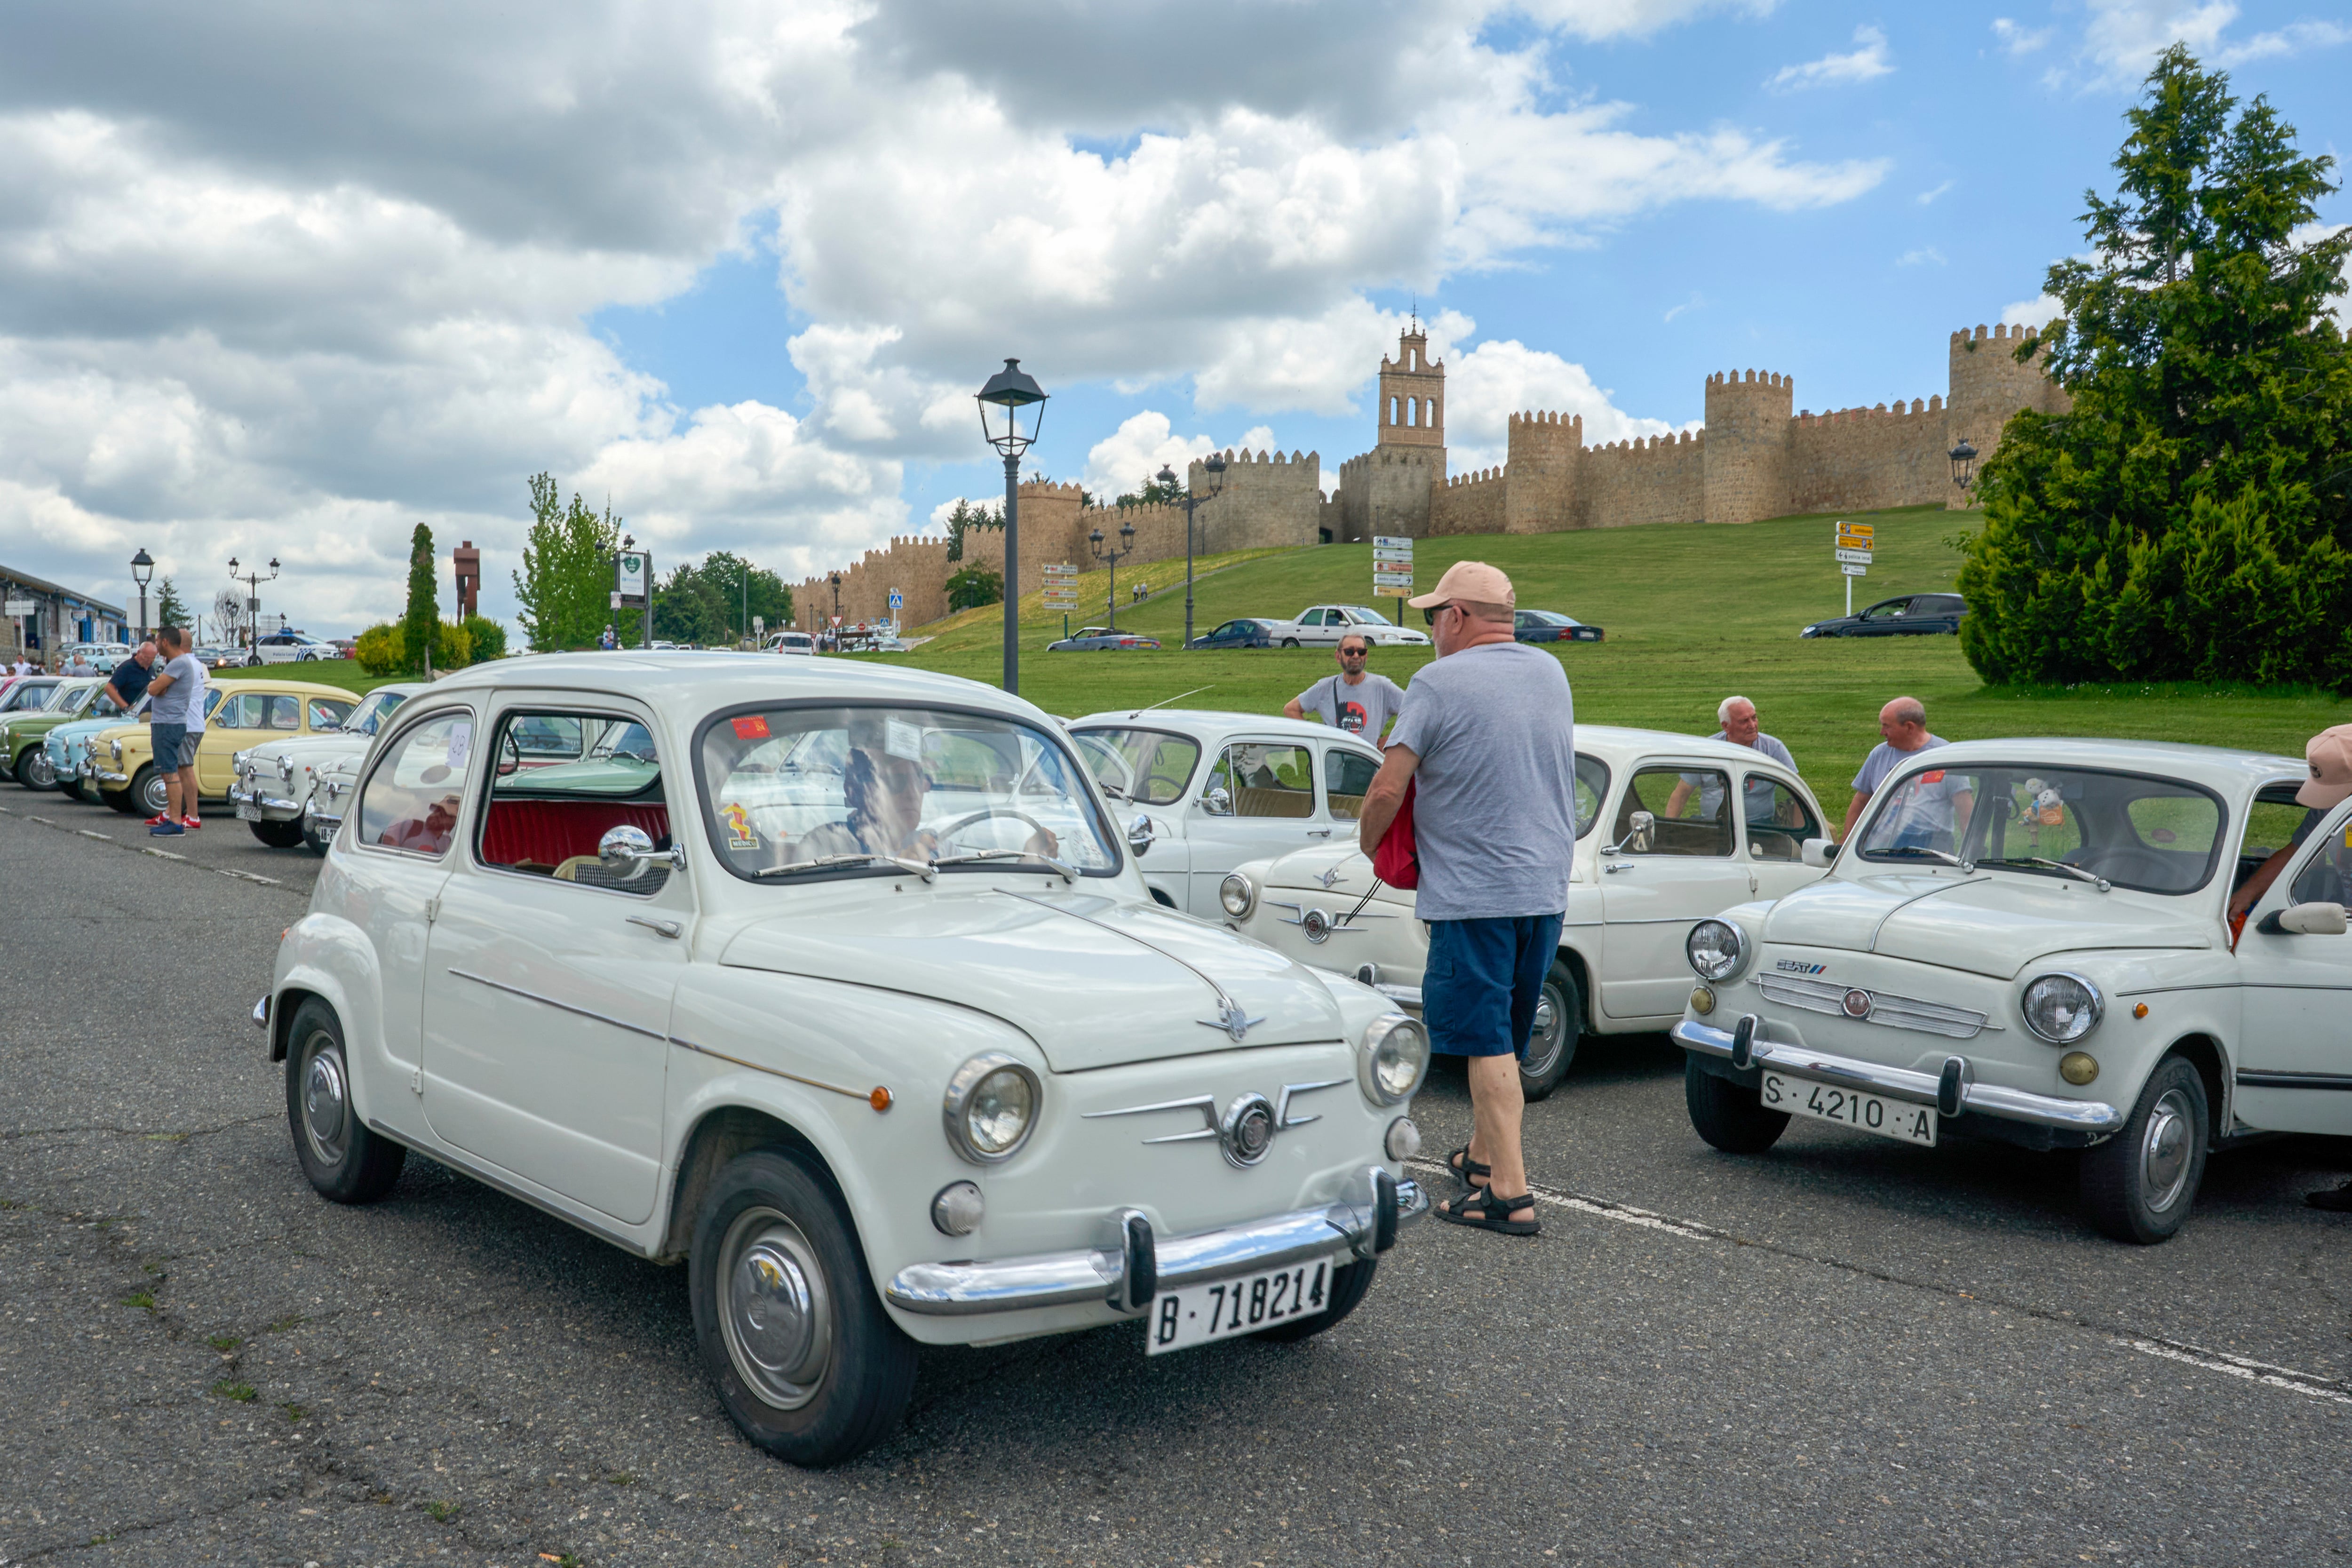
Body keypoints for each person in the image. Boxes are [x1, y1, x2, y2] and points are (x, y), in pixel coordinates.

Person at [1359, 562, 1575, 1239]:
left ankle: (1509, 1194)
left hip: (1474, 891)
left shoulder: (1436, 682)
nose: (1430, 630)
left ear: (1456, 617)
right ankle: (1481, 1160)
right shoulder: (1551, 673)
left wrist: (1369, 843)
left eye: (1432, 617)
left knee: (1483, 1039)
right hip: (1544, 885)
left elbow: (1388, 789)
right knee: (1507, 1035)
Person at [1843, 695, 1972, 851]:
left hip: (1930, 848)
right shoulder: (1879, 754)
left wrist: (1971, 852)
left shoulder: (1945, 757)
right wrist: (1844, 847)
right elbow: (1861, 802)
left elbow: (1965, 811)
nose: (1882, 732)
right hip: (1880, 847)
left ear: (1910, 728)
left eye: (1887, 726)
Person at [1666, 695, 1797, 824]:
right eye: (1744, 721)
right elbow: (1681, 794)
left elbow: (1797, 792)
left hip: (1760, 828)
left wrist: (1802, 839)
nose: (1752, 725)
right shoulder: (1706, 750)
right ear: (1726, 726)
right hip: (1713, 827)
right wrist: (1668, 831)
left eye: (1754, 718)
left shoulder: (1774, 749)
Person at [1283, 633, 1406, 743]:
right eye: (1349, 652)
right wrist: (1315, 739)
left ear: (1366, 655)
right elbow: (1291, 709)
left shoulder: (1382, 686)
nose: (1356, 656)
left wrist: (1391, 739)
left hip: (1369, 765)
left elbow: (1414, 710)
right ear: (1338, 657)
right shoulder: (1325, 687)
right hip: (1333, 766)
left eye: (1361, 652)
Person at [144, 625, 209, 835]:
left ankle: (187, 816)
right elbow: (160, 688)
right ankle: (174, 814)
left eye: (158, 641)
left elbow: (154, 689)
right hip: (186, 722)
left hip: (182, 723)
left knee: (180, 770)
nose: (157, 646)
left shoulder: (182, 663)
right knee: (177, 768)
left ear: (170, 642)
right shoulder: (194, 664)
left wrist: (159, 687)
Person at [106, 641, 158, 713]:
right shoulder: (127, 668)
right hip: (132, 714)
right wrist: (126, 707)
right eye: (146, 658)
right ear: (139, 653)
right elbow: (109, 688)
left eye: (152, 659)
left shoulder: (151, 669)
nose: (149, 661)